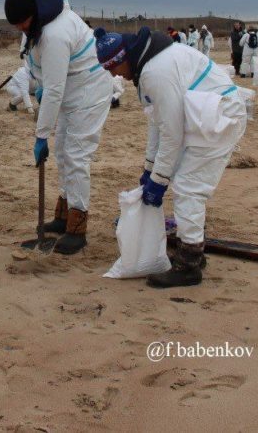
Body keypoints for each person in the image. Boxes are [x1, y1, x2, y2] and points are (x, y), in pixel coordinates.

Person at [95, 27, 246, 287]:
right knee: (185, 183)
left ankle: (189, 264)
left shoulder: (156, 71)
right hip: (202, 117)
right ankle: (194, 250)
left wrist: (159, 179)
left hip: (219, 118)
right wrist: (150, 168)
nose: (113, 75)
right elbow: (158, 121)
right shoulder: (148, 66)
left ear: (122, 59)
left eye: (112, 68)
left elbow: (172, 132)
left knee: (189, 188)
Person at [4, 0, 111, 255]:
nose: (20, 29)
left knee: (76, 156)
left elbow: (54, 90)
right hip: (70, 87)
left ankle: (78, 226)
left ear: (33, 15)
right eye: (16, 25)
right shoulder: (36, 25)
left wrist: (41, 135)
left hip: (89, 91)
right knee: (63, 151)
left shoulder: (55, 35)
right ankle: (63, 214)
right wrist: (40, 85)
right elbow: (42, 71)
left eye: (22, 24)